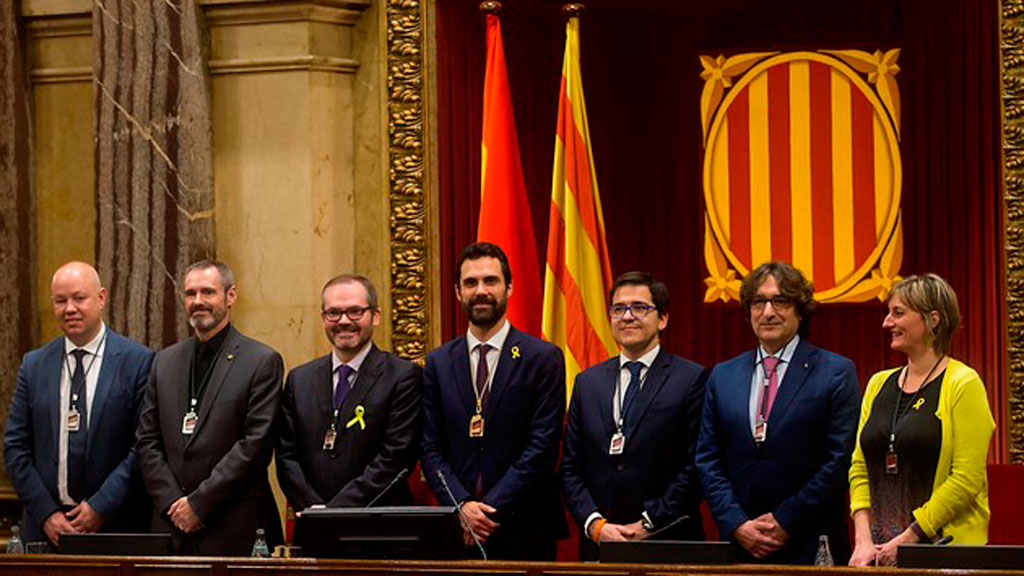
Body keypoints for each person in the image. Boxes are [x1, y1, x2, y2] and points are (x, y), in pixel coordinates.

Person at [696, 261, 860, 564]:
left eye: (780, 301)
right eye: (758, 302)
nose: (768, 312)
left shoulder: (836, 371)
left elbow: (840, 460)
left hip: (810, 543)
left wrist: (786, 521)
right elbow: (707, 459)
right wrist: (736, 523)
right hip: (739, 546)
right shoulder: (722, 375)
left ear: (800, 309)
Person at [421, 242, 567, 560]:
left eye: (491, 281)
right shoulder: (437, 363)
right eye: (470, 283)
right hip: (457, 530)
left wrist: (487, 510)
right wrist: (462, 505)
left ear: (509, 288)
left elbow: (542, 448)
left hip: (525, 529)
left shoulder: (542, 358)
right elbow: (430, 449)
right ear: (458, 292)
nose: (481, 291)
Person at [136, 260, 283, 555]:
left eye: (208, 292)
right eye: (190, 293)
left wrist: (199, 505)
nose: (198, 301)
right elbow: (147, 440)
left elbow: (254, 446)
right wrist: (172, 502)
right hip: (170, 525)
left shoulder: (261, 361)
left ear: (231, 296)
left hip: (231, 526)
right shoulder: (164, 361)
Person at [848, 274, 994, 567]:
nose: (887, 322)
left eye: (898, 313)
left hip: (944, 553)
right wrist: (863, 541)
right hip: (877, 554)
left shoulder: (963, 383)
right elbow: (859, 467)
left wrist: (908, 539)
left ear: (932, 320)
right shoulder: (878, 384)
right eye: (888, 313)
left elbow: (966, 480)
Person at [5, 262, 153, 548]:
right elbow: (15, 446)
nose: (69, 309)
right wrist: (46, 514)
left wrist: (100, 506)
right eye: (60, 301)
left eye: (79, 298)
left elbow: (143, 446)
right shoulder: (34, 365)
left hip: (115, 528)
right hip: (45, 533)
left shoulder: (138, 362)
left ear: (101, 298)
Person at [562, 271, 707, 560]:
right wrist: (595, 524)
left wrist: (648, 522)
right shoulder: (587, 382)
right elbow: (570, 467)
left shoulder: (691, 379)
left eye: (640, 308)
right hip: (599, 545)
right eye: (619, 309)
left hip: (668, 542)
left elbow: (696, 466)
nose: (627, 317)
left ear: (662, 319)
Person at [276, 274, 421, 509]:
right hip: (312, 520)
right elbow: (286, 457)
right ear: (323, 318)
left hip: (378, 520)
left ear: (375, 316)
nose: (343, 321)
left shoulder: (402, 377)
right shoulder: (299, 380)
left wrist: (336, 512)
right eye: (333, 313)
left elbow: (395, 457)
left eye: (355, 311)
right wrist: (313, 509)